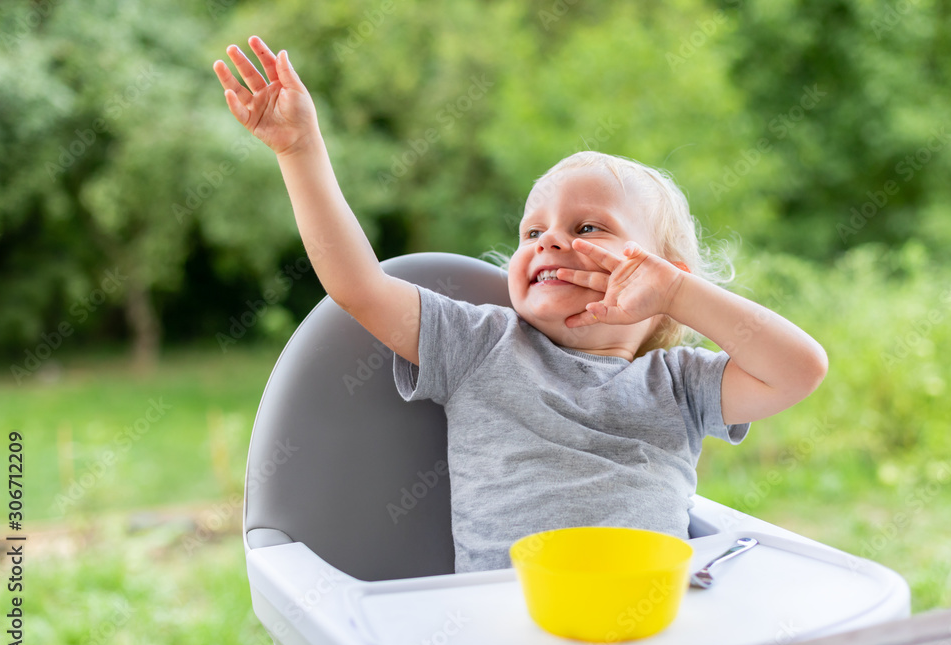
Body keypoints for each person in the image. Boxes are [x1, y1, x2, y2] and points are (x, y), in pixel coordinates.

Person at [214, 36, 829, 573]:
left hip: (644, 631)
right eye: (533, 233)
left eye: (588, 228)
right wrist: (299, 152)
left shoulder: (680, 385)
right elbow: (356, 285)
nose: (552, 241)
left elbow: (800, 370)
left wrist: (678, 294)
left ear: (665, 273)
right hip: (502, 629)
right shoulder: (480, 344)